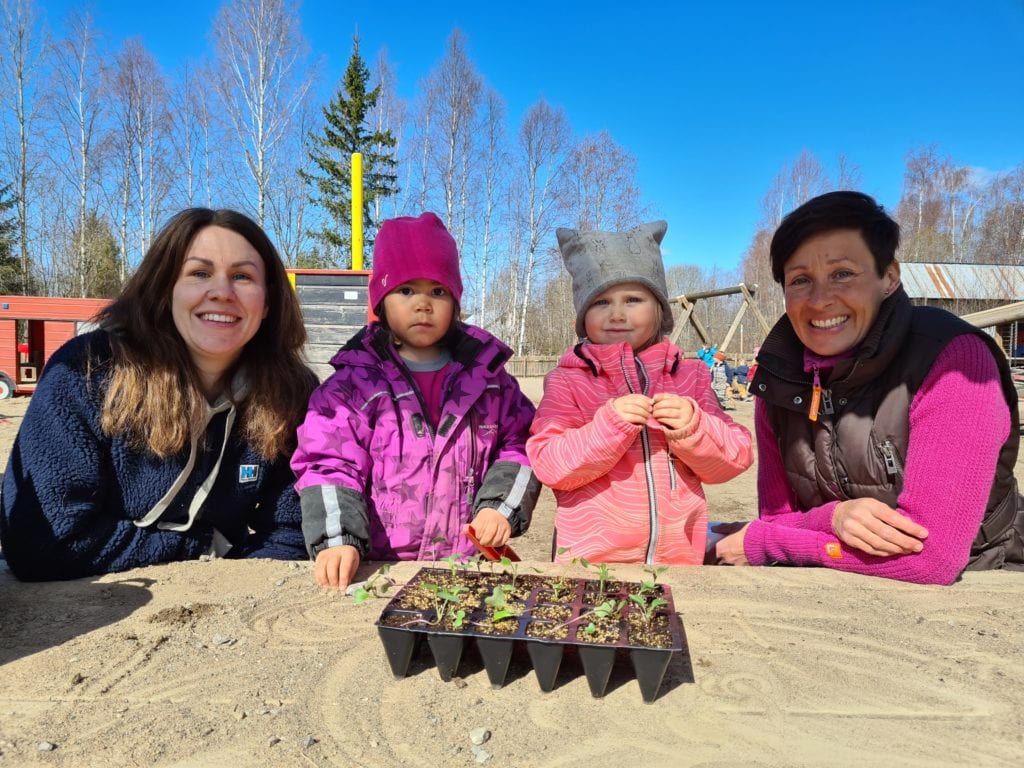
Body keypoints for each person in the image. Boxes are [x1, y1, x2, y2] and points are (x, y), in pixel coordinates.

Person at [715, 191, 1023, 584]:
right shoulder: (779, 378)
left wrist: (772, 543)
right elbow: (777, 518)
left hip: (986, 578)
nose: (820, 299)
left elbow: (933, 558)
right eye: (800, 279)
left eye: (842, 273)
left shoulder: (953, 361)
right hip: (837, 586)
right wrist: (834, 516)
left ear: (889, 277)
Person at [1, 208, 318, 581]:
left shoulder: (293, 392)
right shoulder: (86, 370)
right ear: (165, 290)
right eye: (199, 273)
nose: (221, 292)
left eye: (243, 276)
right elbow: (41, 540)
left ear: (267, 303)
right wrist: (200, 547)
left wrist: (226, 574)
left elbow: (292, 535)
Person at [292, 212, 540, 590]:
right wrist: (337, 538)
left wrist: (500, 506)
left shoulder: (491, 381)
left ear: (455, 302)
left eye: (438, 291)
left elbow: (520, 444)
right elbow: (329, 463)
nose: (423, 304)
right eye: (406, 290)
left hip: (465, 566)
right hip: (378, 567)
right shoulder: (351, 387)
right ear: (381, 300)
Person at [526, 221, 753, 564]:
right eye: (600, 301)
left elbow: (734, 459)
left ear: (660, 310)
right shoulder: (567, 380)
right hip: (590, 566)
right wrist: (608, 428)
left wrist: (694, 428)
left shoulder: (690, 376)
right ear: (583, 315)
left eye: (633, 299)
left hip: (679, 564)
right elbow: (548, 463)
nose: (617, 313)